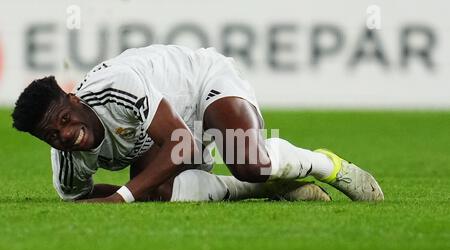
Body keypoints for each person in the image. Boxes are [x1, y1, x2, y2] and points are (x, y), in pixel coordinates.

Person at [11, 45, 383, 203]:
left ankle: (326, 164)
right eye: (51, 135)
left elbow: (183, 144)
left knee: (249, 164)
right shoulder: (67, 163)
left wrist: (123, 196)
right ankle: (271, 189)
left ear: (74, 100)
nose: (65, 134)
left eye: (64, 119)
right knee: (157, 192)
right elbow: (78, 197)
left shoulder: (115, 87)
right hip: (162, 126)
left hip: (201, 82)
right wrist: (128, 194)